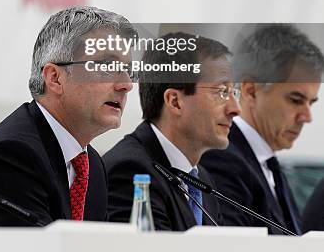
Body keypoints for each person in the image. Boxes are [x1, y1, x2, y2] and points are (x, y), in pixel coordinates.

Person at [0, 6, 135, 226]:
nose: (126, 85)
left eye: (128, 70)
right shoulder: (12, 155)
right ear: (55, 78)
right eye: (109, 66)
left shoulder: (91, 165)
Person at [103, 32, 241, 230]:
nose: (236, 109)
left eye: (233, 92)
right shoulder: (132, 171)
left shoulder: (200, 177)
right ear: (175, 101)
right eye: (222, 92)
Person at [201, 23, 324, 235]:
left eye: (311, 103)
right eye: (295, 100)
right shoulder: (222, 160)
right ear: (251, 91)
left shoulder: (269, 165)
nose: (307, 116)